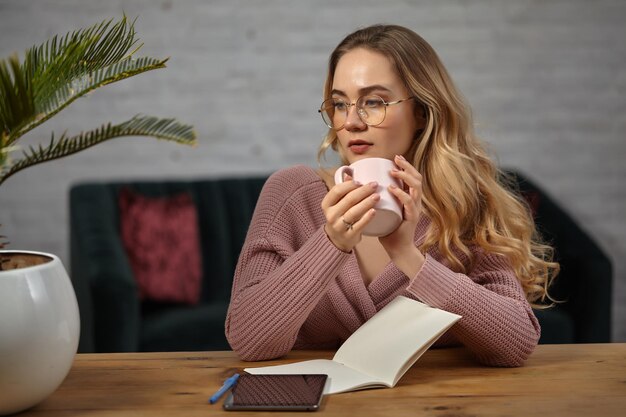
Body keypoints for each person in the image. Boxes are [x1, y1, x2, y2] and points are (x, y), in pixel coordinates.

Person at [225, 24, 559, 367]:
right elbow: (249, 342)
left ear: (421, 112)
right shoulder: (292, 194)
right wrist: (332, 242)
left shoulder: (462, 202)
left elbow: (516, 344)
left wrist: (408, 256)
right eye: (340, 104)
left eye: (373, 101)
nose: (351, 121)